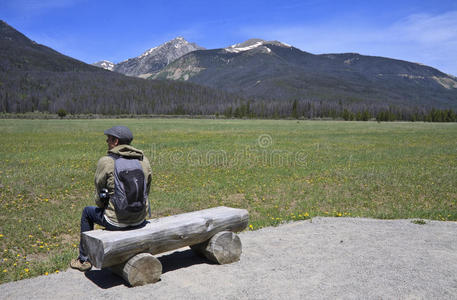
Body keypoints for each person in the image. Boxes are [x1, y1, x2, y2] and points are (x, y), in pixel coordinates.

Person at [70, 126, 152, 271]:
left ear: (115, 141)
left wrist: (104, 206)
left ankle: (84, 259)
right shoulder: (143, 160)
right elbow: (147, 189)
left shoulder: (107, 161)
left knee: (87, 213)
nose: (106, 140)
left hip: (116, 221)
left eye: (109, 138)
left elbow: (99, 193)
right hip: (140, 219)